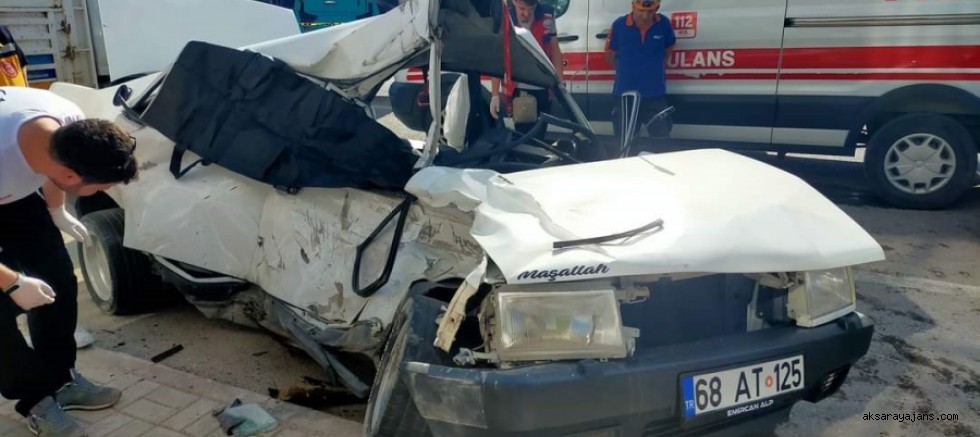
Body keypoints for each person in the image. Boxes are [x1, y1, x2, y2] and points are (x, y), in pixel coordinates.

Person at [0, 86, 139, 437]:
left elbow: (55, 171)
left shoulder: (68, 120)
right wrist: (13, 282)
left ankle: (60, 380)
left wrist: (56, 209)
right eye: (101, 188)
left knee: (58, 280)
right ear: (73, 177)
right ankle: (36, 401)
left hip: (13, 194)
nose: (102, 193)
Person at [489, 0, 565, 139]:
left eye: (531, 9)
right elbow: (499, 56)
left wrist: (560, 82)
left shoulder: (547, 15)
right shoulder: (505, 17)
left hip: (544, 86)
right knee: (523, 136)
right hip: (519, 89)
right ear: (514, 2)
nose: (526, 14)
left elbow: (554, 48)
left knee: (540, 135)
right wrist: (495, 94)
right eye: (522, 9)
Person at [605, 0, 675, 144]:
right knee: (625, 144)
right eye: (641, 11)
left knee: (662, 142)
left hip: (655, 94)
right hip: (626, 95)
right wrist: (628, 73)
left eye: (650, 11)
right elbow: (610, 55)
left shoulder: (664, 24)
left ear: (657, 8)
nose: (645, 15)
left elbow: (668, 51)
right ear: (633, 6)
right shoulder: (619, 25)